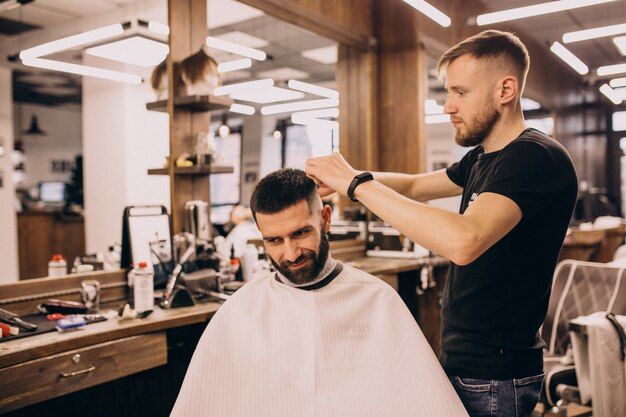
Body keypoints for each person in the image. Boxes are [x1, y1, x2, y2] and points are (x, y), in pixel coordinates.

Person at [306, 30, 578, 417]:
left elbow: (464, 240)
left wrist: (356, 185)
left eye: (460, 92)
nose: (448, 106)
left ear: (505, 90)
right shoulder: (484, 157)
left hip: (496, 374)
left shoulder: (535, 158)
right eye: (447, 92)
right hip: (468, 360)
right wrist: (346, 178)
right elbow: (416, 185)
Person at [170, 168, 468, 417]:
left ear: (325, 219)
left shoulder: (377, 299)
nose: (290, 253)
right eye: (274, 240)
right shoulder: (240, 310)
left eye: (300, 233)